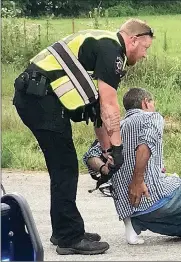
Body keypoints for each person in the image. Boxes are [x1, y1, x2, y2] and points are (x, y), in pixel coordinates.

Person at [12, 19, 154, 255]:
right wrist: (118, 148)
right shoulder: (113, 53)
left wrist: (108, 151)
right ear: (133, 40)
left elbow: (97, 110)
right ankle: (69, 237)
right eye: (145, 48)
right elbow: (110, 105)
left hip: (36, 97)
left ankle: (63, 231)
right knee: (65, 167)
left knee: (62, 167)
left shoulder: (103, 44)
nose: (145, 55)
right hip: (40, 99)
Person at [83, 87, 181, 249]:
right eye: (152, 102)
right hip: (154, 197)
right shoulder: (152, 117)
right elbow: (145, 144)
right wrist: (137, 180)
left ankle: (139, 223)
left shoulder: (116, 130)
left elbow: (90, 155)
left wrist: (104, 170)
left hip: (136, 212)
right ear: (145, 103)